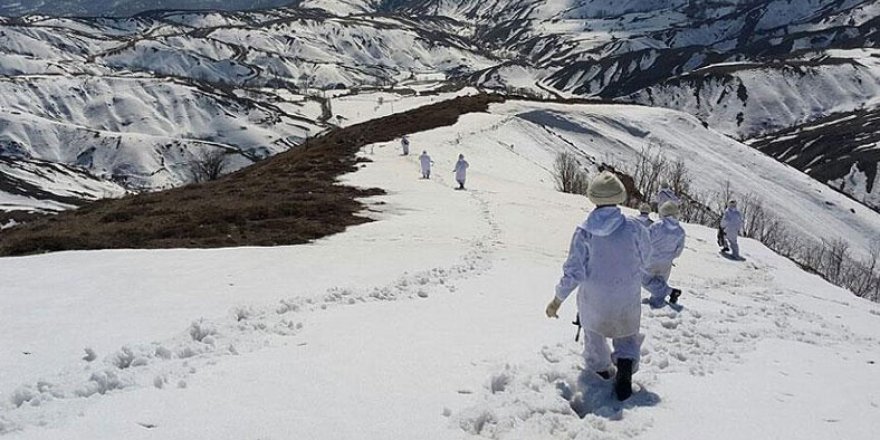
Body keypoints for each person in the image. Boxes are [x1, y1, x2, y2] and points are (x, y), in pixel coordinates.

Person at [545, 172, 651, 401]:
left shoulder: (584, 231)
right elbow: (646, 256)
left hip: (594, 298)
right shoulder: (634, 227)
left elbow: (573, 271)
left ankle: (600, 369)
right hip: (626, 294)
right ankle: (625, 364)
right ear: (619, 197)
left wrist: (557, 300)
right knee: (626, 335)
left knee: (594, 335)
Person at [642, 202, 686, 308]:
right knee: (660, 282)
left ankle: (671, 292)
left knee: (645, 280)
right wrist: (670, 257)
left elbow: (645, 240)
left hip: (651, 259)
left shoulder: (657, 226)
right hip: (666, 263)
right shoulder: (680, 231)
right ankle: (657, 304)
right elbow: (679, 250)